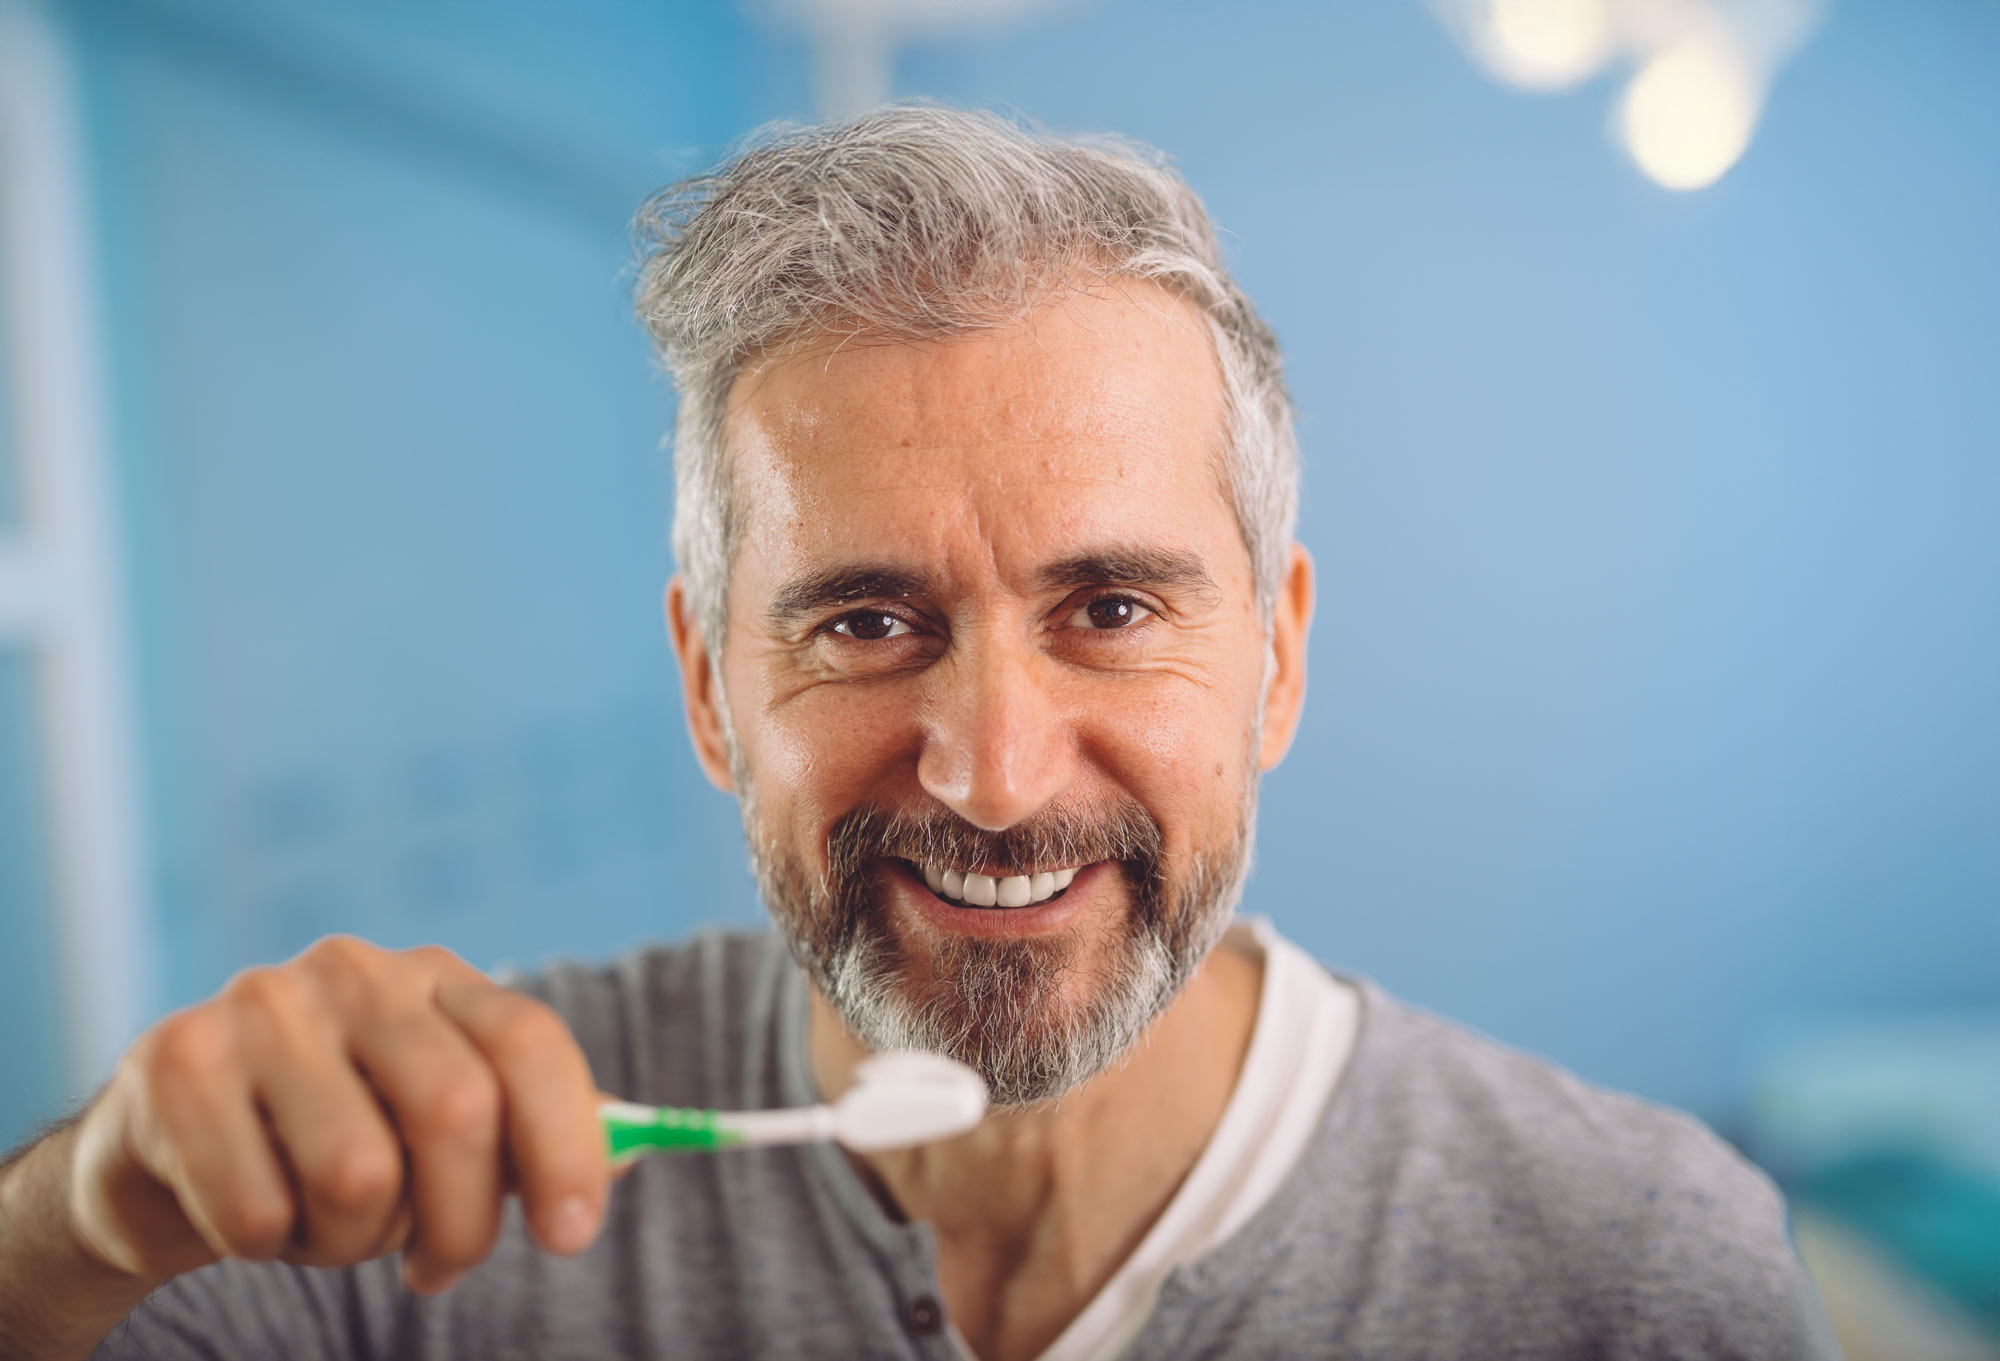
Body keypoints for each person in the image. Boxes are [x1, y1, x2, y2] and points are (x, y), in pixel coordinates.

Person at [0, 107, 1838, 1361]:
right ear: (715, 688)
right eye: (868, 623)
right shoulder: (414, 1208)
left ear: (1273, 658)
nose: (996, 772)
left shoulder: (1623, 1267)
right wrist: (82, 1220)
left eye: (1110, 610)